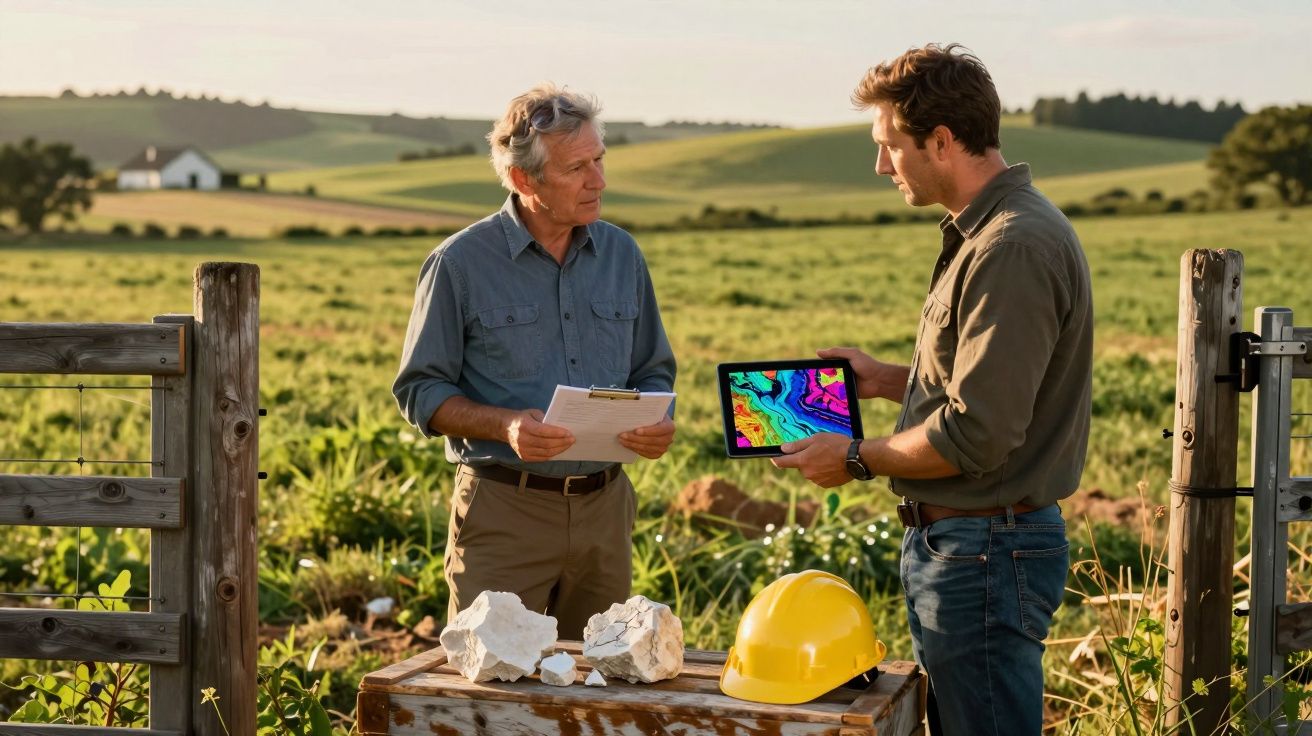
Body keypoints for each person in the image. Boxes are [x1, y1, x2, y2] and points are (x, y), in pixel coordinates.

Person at [771, 44, 1092, 735]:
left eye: (890, 146)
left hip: (984, 550)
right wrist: (887, 381)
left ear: (942, 142)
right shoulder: (991, 234)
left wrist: (854, 456)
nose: (881, 165)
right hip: (974, 548)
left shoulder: (1010, 245)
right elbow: (992, 389)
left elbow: (978, 432)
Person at [393, 83, 677, 639]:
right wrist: (506, 424)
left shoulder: (623, 253)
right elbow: (419, 390)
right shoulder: (458, 264)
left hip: (606, 514)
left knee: (598, 686)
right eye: (577, 168)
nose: (598, 180)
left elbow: (652, 368)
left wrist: (658, 421)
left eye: (599, 160)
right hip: (504, 512)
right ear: (525, 180)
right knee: (494, 697)